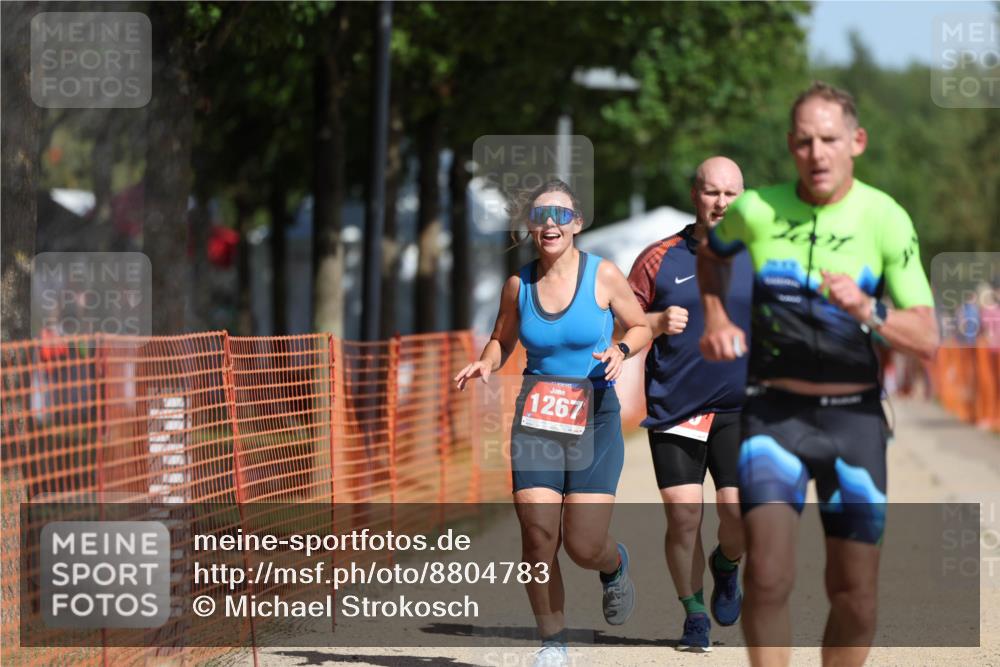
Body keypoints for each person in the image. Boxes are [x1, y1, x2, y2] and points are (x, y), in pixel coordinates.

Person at [696, 82, 939, 667]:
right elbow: (710, 249)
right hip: (772, 417)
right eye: (804, 141)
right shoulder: (756, 209)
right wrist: (715, 314)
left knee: (854, 596)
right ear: (789, 146)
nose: (817, 153)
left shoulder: (884, 217)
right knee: (770, 578)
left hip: (854, 420)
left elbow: (927, 336)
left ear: (856, 141)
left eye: (829, 139)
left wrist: (868, 310)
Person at [455, 179, 652, 667]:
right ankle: (554, 640)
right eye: (541, 215)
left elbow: (643, 324)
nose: (550, 223)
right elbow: (501, 340)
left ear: (577, 224)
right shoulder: (517, 285)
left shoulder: (603, 275)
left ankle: (614, 563)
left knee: (583, 544)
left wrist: (621, 349)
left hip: (595, 417)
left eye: (561, 215)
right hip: (538, 417)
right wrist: (486, 361)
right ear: (530, 225)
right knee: (539, 535)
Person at [623, 156, 751, 652]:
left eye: (730, 193)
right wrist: (653, 324)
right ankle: (694, 613)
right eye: (711, 192)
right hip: (678, 410)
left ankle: (726, 564)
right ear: (695, 194)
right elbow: (624, 323)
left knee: (739, 513)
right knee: (683, 515)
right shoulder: (659, 258)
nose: (720, 202)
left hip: (741, 407)